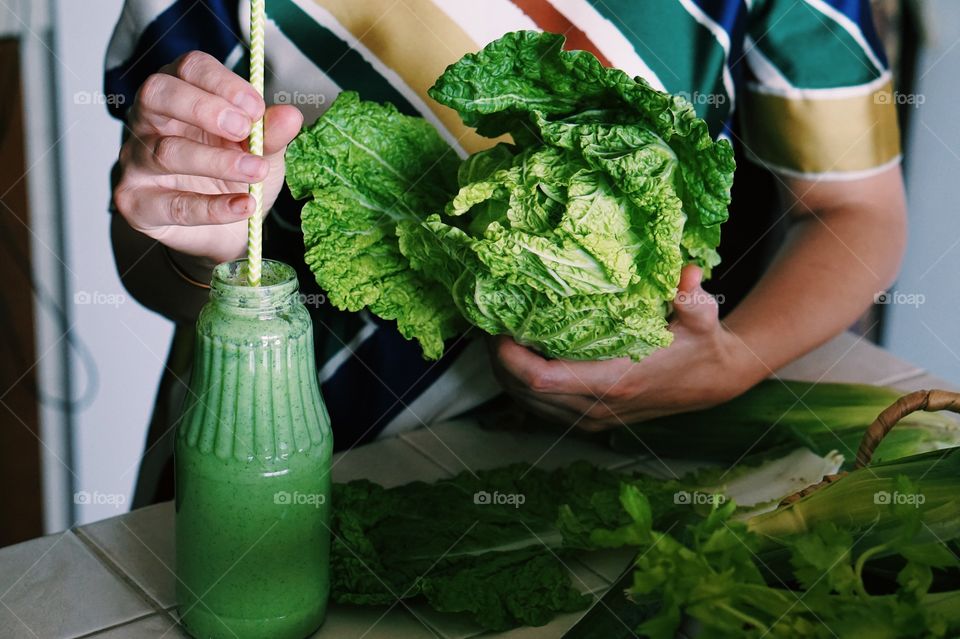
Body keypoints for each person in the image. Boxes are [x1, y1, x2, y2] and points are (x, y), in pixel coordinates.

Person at [106, 0, 906, 505]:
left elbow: (856, 209)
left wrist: (739, 358)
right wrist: (198, 246)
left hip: (644, 479)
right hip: (280, 475)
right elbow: (149, 267)